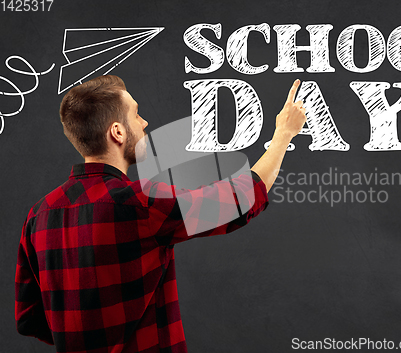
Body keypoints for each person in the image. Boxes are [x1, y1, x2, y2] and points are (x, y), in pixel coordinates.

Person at [15, 75, 306, 353]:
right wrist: (283, 135)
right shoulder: (141, 204)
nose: (144, 123)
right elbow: (243, 196)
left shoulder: (38, 215)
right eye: (136, 114)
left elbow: (29, 318)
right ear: (117, 132)